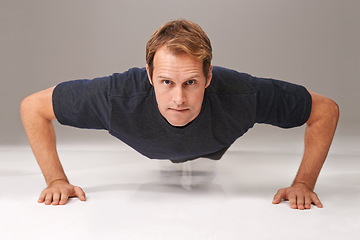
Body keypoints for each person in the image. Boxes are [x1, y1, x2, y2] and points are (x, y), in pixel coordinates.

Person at [20, 19, 339, 209]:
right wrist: (56, 180)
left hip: (214, 145)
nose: (179, 98)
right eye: (166, 82)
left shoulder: (241, 94)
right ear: (149, 75)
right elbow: (33, 108)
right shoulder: (116, 96)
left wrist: (304, 183)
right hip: (150, 146)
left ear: (209, 77)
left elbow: (325, 110)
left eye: (191, 82)